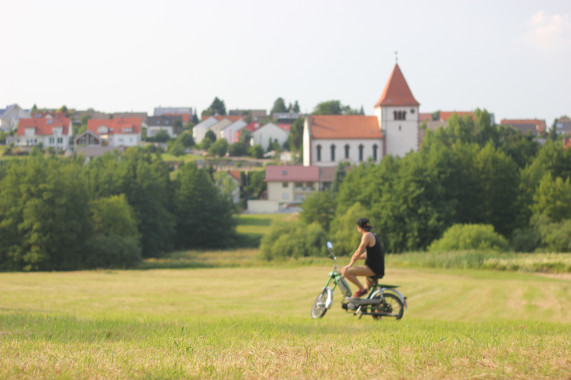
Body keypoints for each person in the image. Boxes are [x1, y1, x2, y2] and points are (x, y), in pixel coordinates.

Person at [341, 218, 385, 298]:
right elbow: (369, 254)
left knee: (346, 272)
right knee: (373, 297)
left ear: (359, 228)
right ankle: (375, 308)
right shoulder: (373, 235)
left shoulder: (366, 235)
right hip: (377, 268)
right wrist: (358, 257)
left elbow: (359, 250)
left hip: (372, 269)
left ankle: (361, 289)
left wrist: (350, 264)